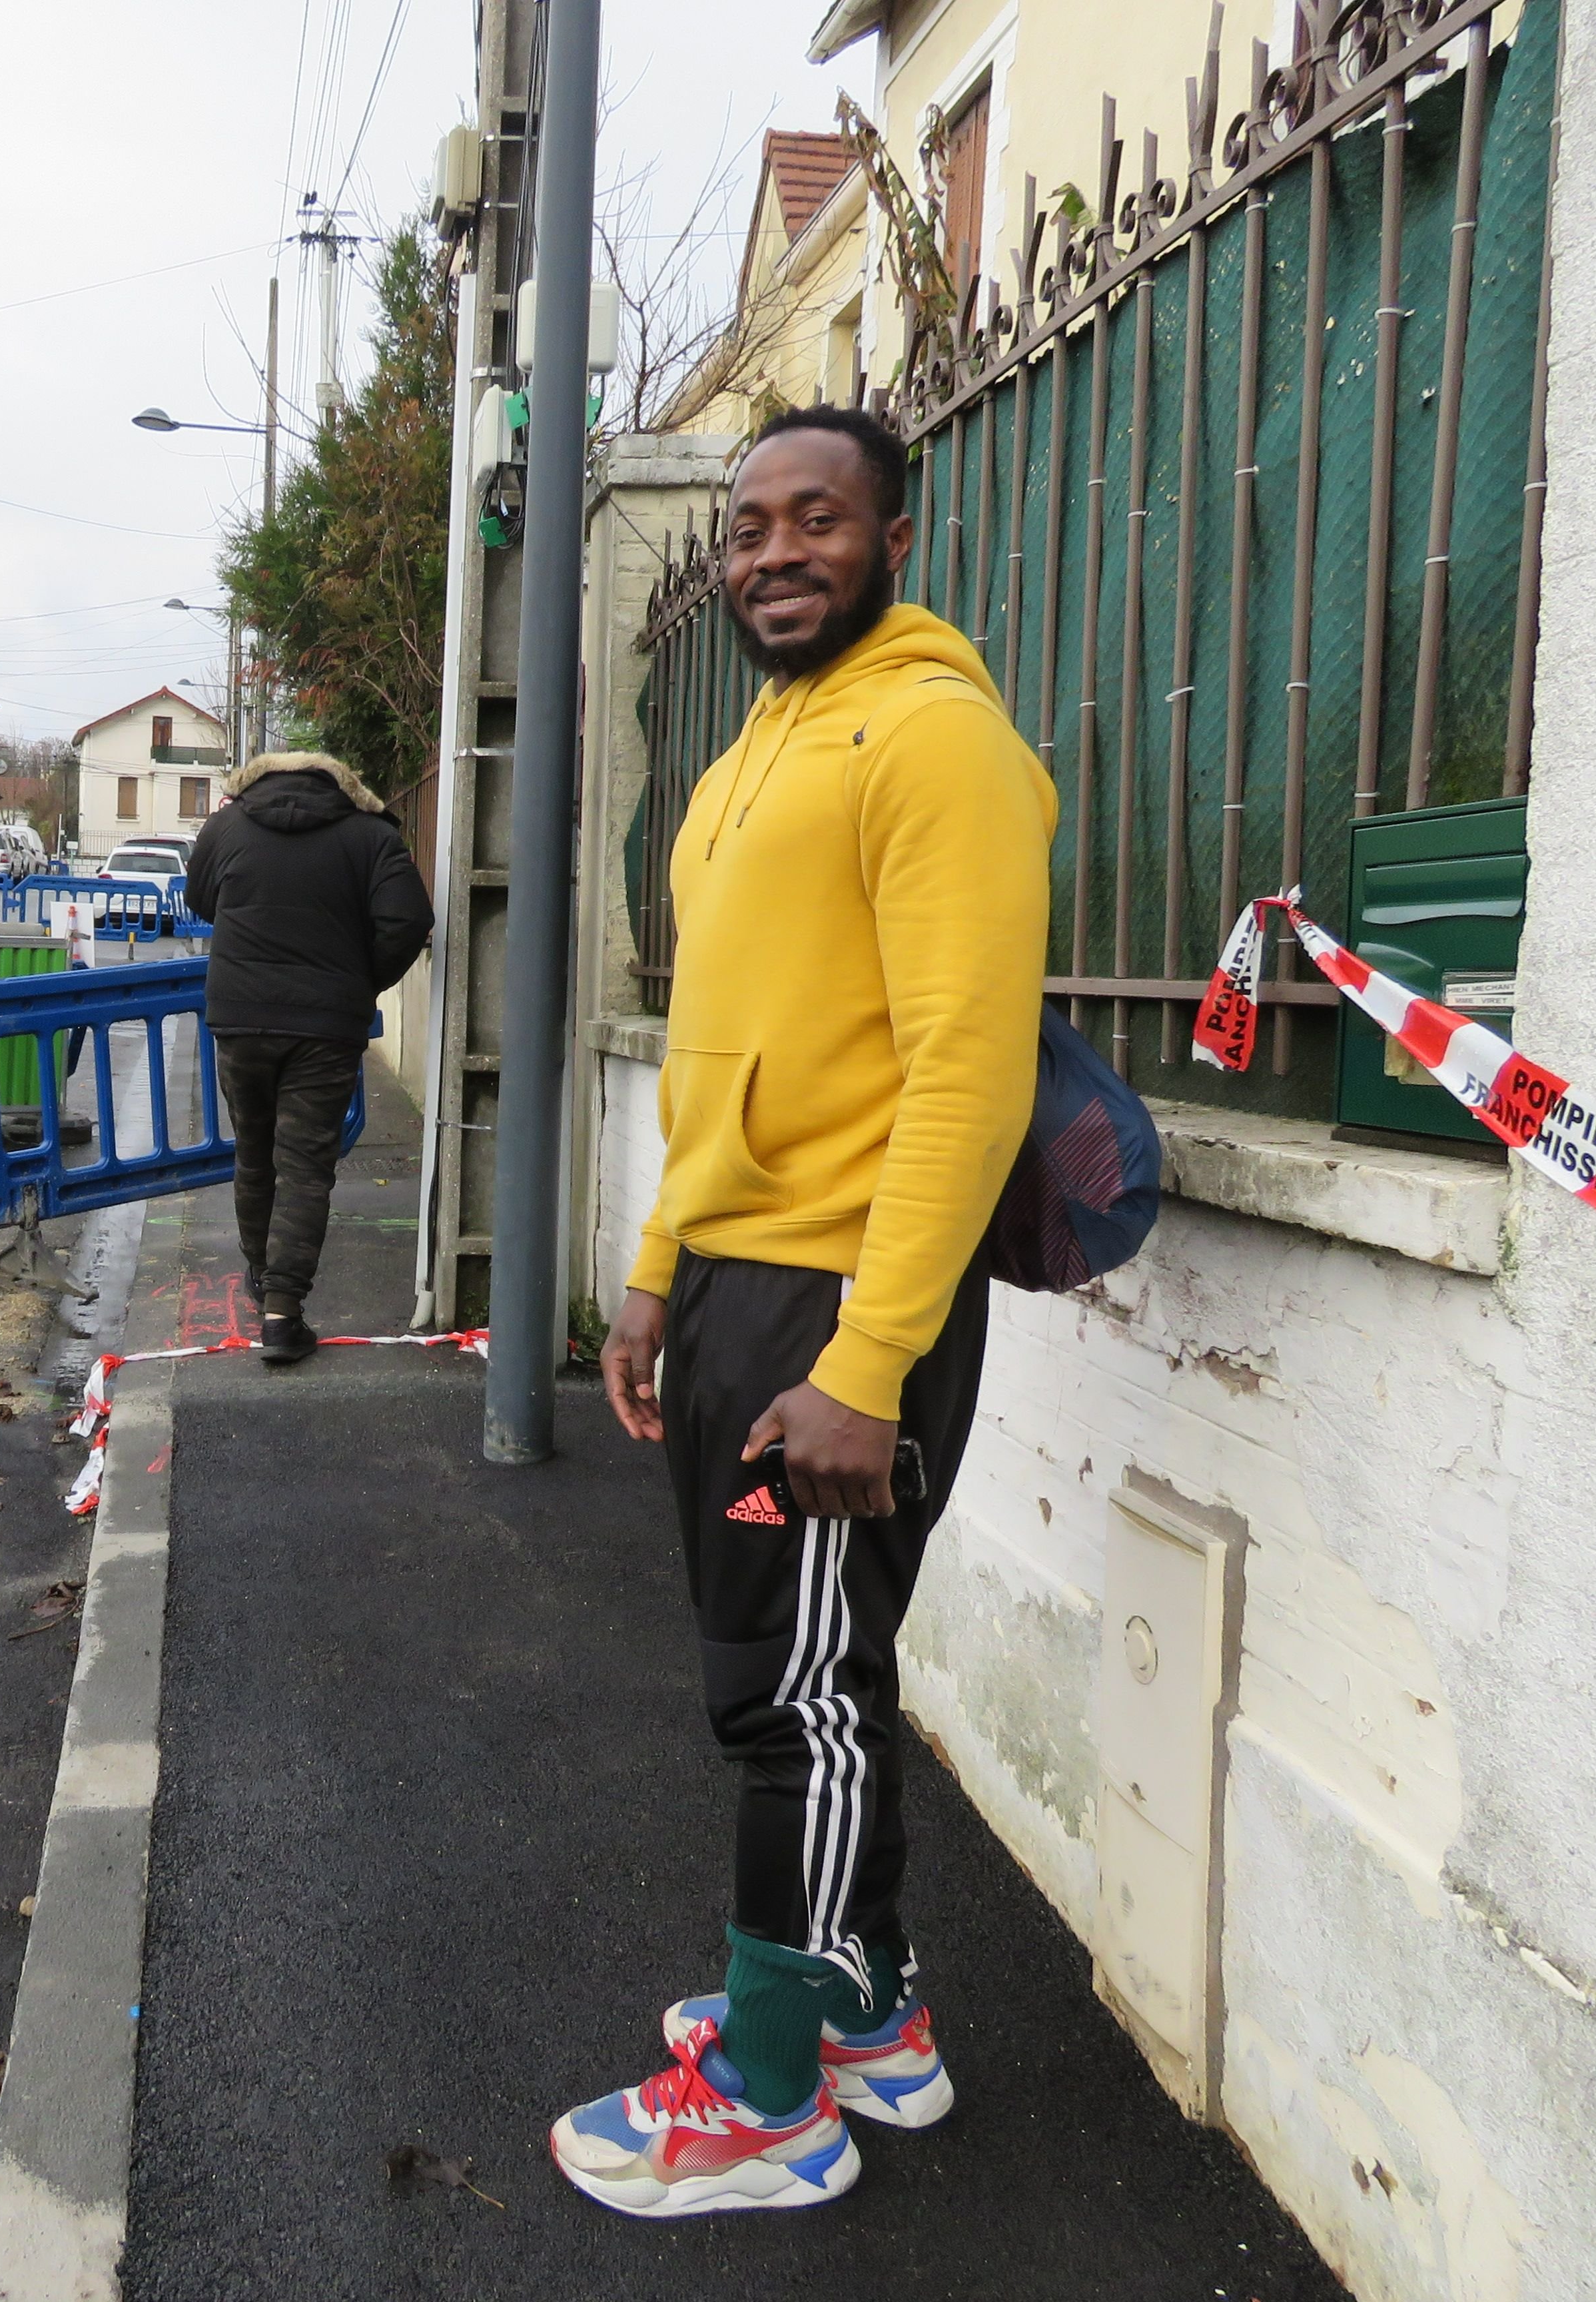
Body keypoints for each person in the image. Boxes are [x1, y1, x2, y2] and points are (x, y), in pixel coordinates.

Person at [550, 406, 1057, 2218]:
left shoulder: (937, 744)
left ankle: (772, 2097)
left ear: (894, 539)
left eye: (815, 520)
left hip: (848, 1320)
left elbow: (967, 1079)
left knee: (794, 1697)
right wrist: (655, 1274)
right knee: (791, 1668)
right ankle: (862, 2008)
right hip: (743, 1300)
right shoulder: (753, 755)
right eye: (751, 523)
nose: (773, 550)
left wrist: (866, 1367)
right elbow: (717, 1054)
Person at [180, 751, 434, 1364]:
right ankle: (281, 1314)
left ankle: (264, 1277)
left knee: (254, 1156)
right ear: (343, 785)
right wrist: (357, 981)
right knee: (305, 1167)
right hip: (325, 1028)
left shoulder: (226, 827)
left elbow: (200, 900)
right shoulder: (372, 836)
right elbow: (408, 919)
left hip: (240, 1018)